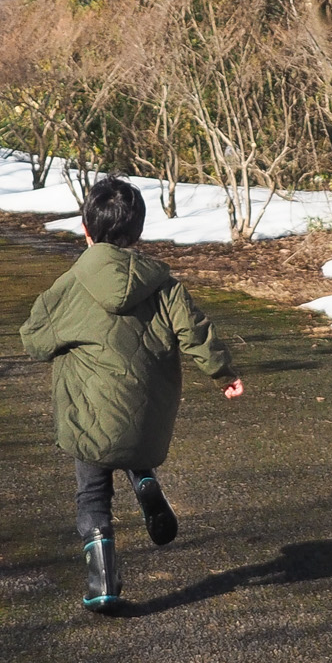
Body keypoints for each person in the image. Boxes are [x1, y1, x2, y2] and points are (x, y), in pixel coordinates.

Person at [19, 176, 243, 613]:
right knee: (127, 421)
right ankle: (143, 479)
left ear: (86, 229)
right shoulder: (165, 285)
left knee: (92, 489)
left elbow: (34, 342)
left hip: (89, 414)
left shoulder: (69, 286)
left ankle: (104, 581)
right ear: (138, 232)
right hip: (146, 413)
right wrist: (223, 373)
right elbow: (194, 332)